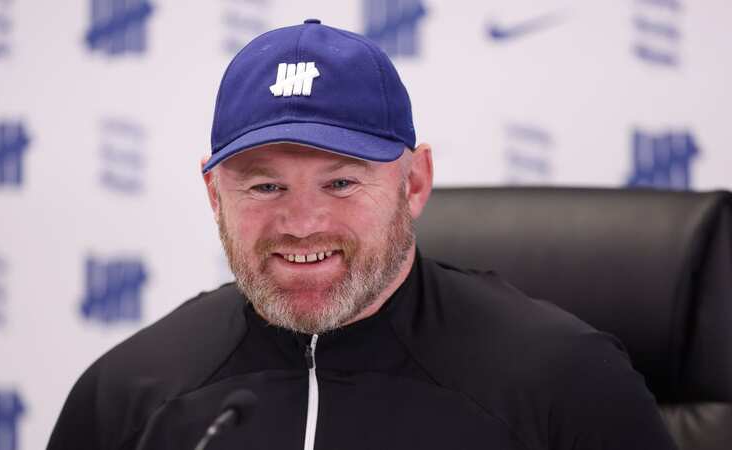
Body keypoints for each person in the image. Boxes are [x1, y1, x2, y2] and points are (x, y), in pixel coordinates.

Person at [48, 19, 678, 450]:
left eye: (342, 183)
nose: (301, 225)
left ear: (414, 183)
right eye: (265, 187)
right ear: (215, 196)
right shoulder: (129, 396)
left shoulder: (565, 382)